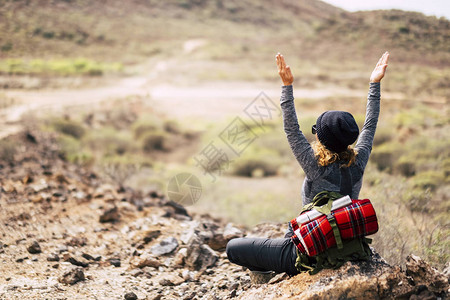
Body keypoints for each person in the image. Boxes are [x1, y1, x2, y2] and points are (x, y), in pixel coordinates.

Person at [226, 51, 389, 276]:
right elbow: (370, 125)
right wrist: (374, 83)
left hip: (312, 249)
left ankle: (280, 274)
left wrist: (286, 85)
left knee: (233, 248)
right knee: (282, 237)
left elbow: (291, 128)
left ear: (320, 138)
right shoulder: (358, 161)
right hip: (346, 243)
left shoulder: (315, 166)